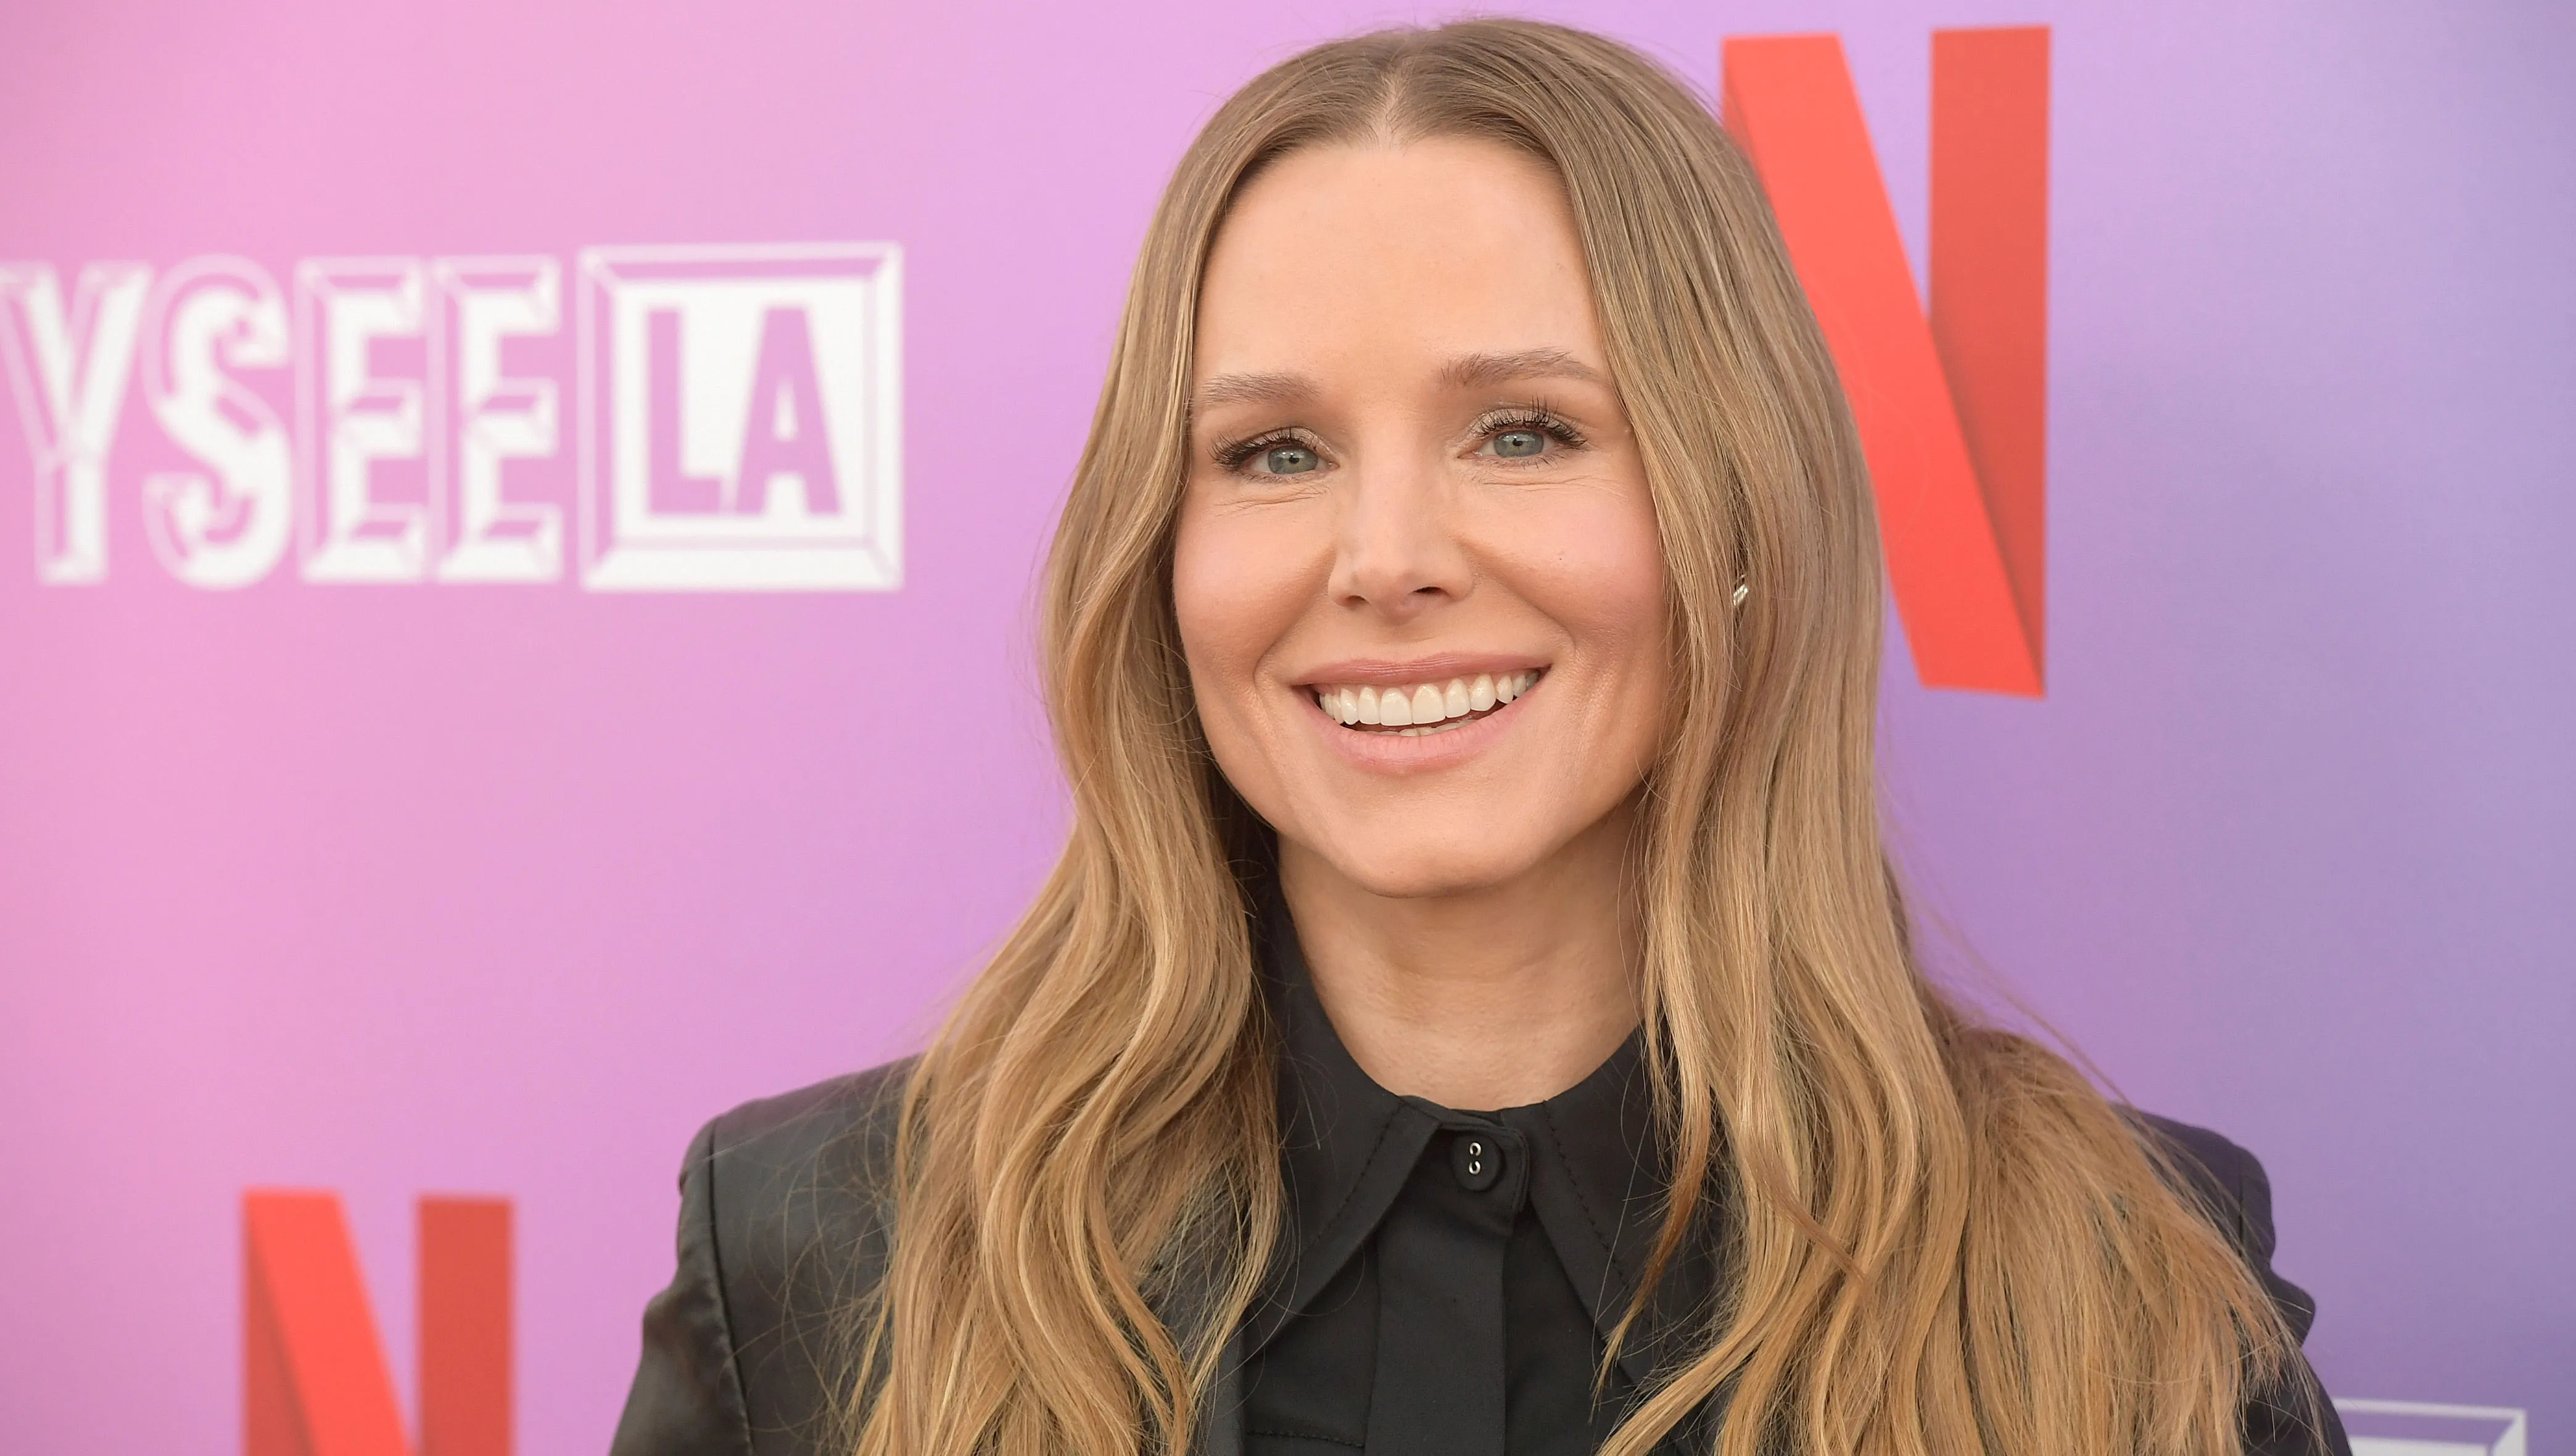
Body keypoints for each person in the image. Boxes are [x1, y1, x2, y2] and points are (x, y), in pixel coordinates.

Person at [609, 19, 2348, 1456]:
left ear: (1733, 516)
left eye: (1523, 433)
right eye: (1274, 454)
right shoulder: (819, 1262)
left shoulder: (2115, 1293)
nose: (1387, 560)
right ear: (1159, 556)